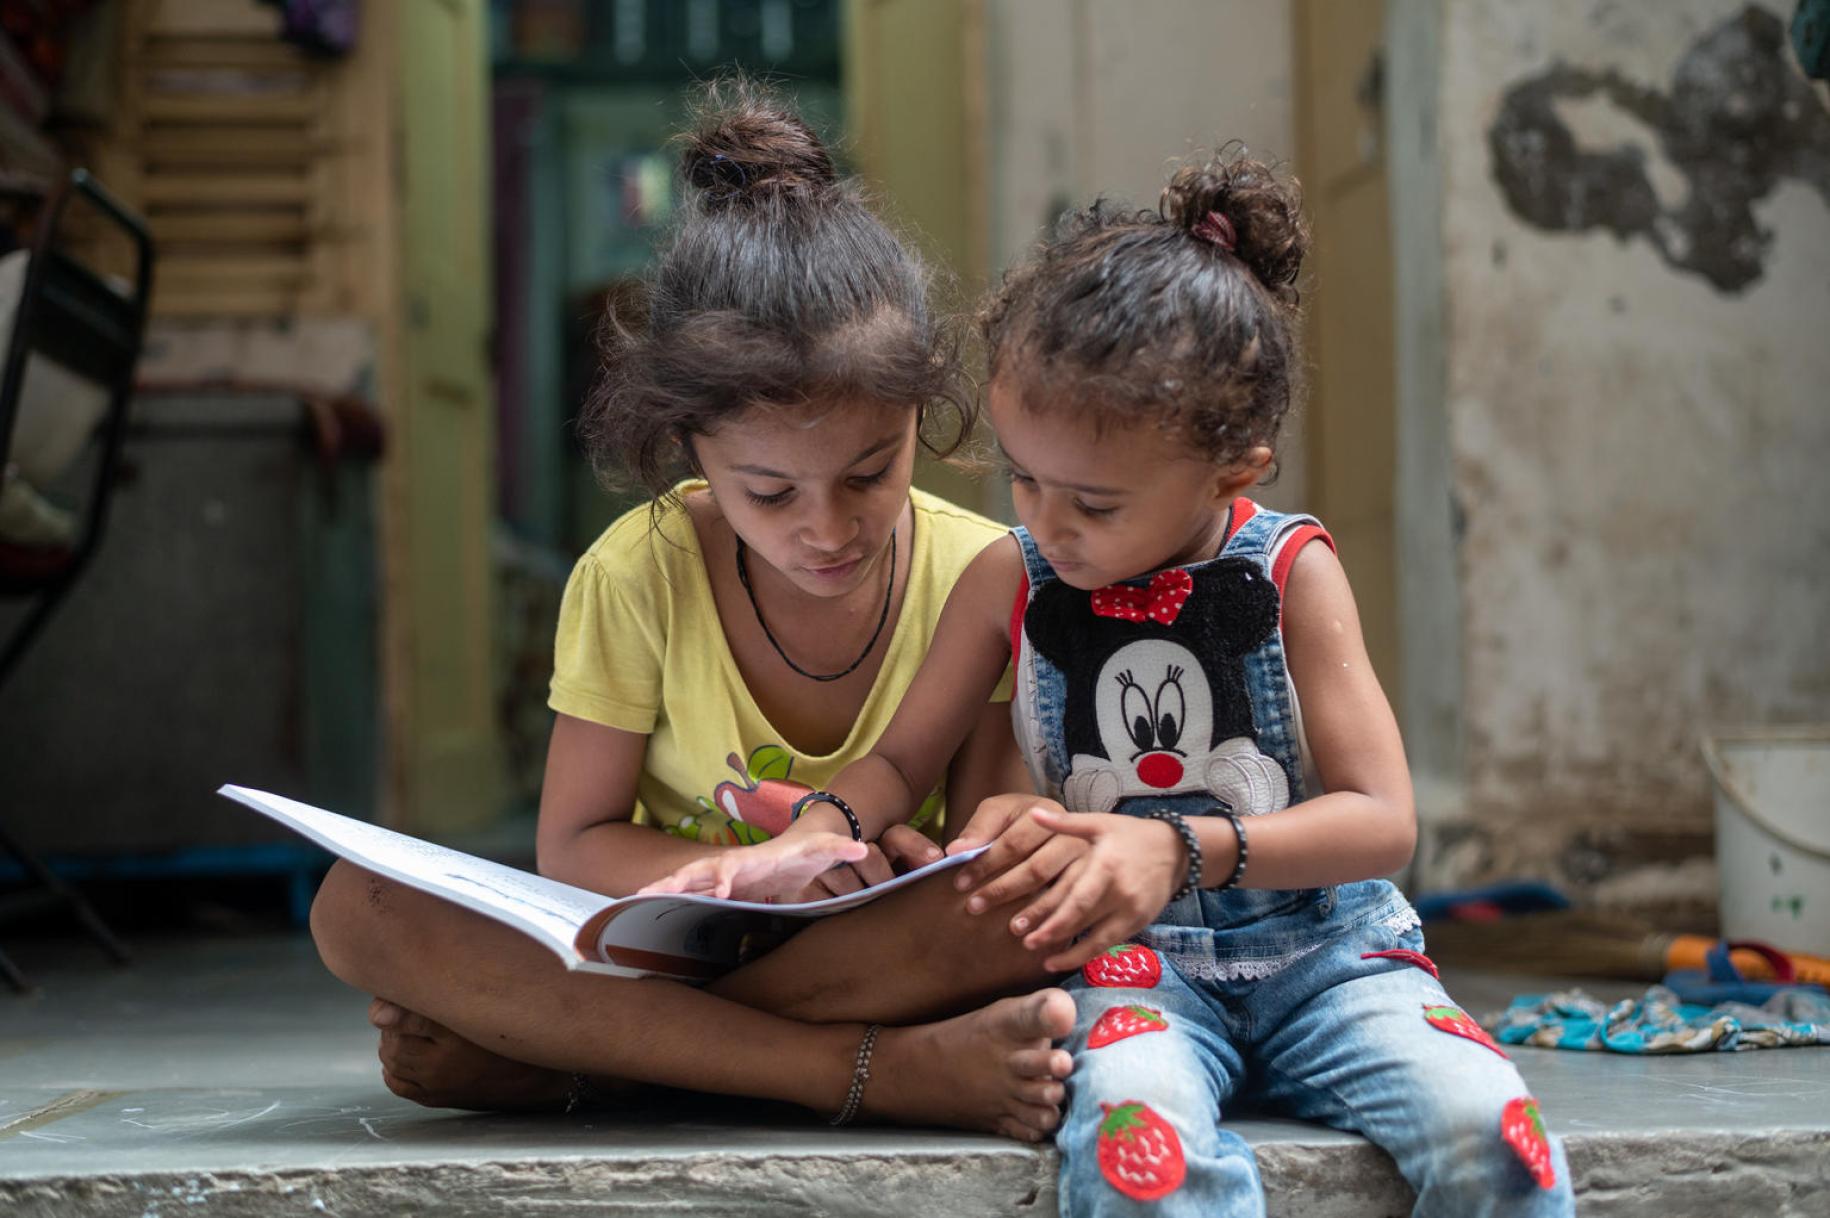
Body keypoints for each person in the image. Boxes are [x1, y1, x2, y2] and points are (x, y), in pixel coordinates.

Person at [646, 148, 1577, 1215]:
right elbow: (903, 758)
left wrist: (1176, 846)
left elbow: (1382, 823)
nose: (1044, 523)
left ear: (1235, 469)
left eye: (1091, 505)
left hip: (1332, 963)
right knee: (1142, 1161)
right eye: (1024, 479)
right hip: (1131, 969)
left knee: (1492, 1135)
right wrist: (818, 825)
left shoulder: (1290, 573)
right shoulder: (1012, 575)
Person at [308, 80, 1075, 1141]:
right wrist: (749, 877)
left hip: (873, 947)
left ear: (918, 418)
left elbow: (983, 850)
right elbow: (575, 845)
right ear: (691, 449)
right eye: (769, 493)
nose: (828, 529)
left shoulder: (985, 572)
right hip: (675, 943)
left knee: (1020, 917)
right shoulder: (638, 573)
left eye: (870, 472)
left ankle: (585, 1061)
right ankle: (855, 1073)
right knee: (359, 906)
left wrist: (925, 857)